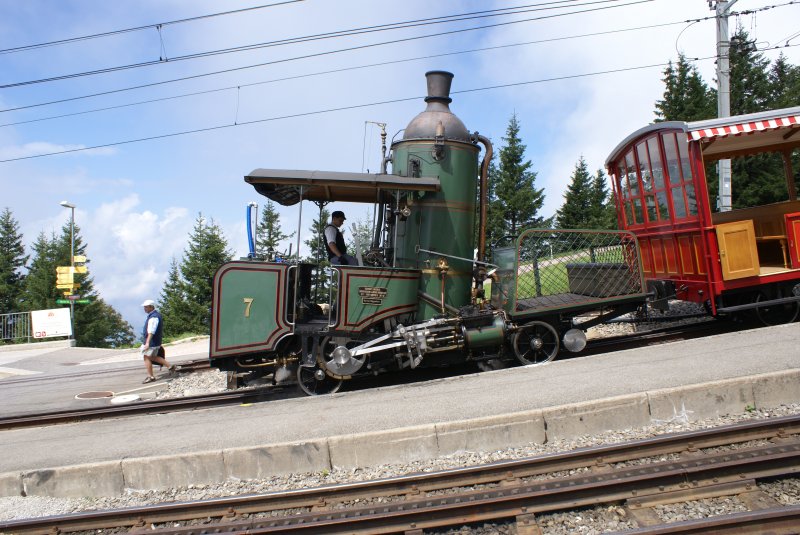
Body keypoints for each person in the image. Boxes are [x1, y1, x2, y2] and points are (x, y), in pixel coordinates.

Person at [140, 299, 175, 383]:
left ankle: (151, 376)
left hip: (152, 342)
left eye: (146, 307)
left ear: (151, 307)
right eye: (144, 307)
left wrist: (147, 342)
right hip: (154, 341)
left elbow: (151, 331)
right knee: (152, 357)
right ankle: (170, 367)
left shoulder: (154, 317)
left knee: (146, 357)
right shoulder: (154, 315)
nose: (144, 308)